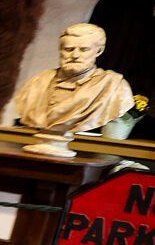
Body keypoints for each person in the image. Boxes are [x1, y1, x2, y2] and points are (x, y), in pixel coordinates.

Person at [13, 22, 135, 156]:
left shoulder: (114, 87)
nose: (75, 55)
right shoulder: (37, 82)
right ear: (60, 50)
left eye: (84, 49)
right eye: (69, 49)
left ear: (99, 51)